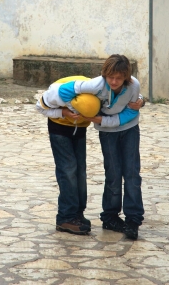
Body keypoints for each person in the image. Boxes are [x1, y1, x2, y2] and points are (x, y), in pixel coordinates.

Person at [58, 55, 145, 240]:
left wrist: (103, 120)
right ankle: (110, 217)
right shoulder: (96, 85)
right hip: (107, 133)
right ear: (104, 74)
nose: (113, 81)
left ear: (126, 77)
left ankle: (133, 219)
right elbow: (64, 90)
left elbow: (132, 110)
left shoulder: (134, 86)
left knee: (131, 173)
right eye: (110, 77)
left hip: (129, 129)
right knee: (113, 173)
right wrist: (77, 110)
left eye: (119, 78)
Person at [36, 76, 101, 235]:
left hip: (79, 130)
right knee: (68, 170)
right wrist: (63, 112)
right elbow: (40, 107)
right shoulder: (56, 93)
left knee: (80, 170)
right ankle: (66, 217)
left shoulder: (97, 95)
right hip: (59, 129)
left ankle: (77, 213)